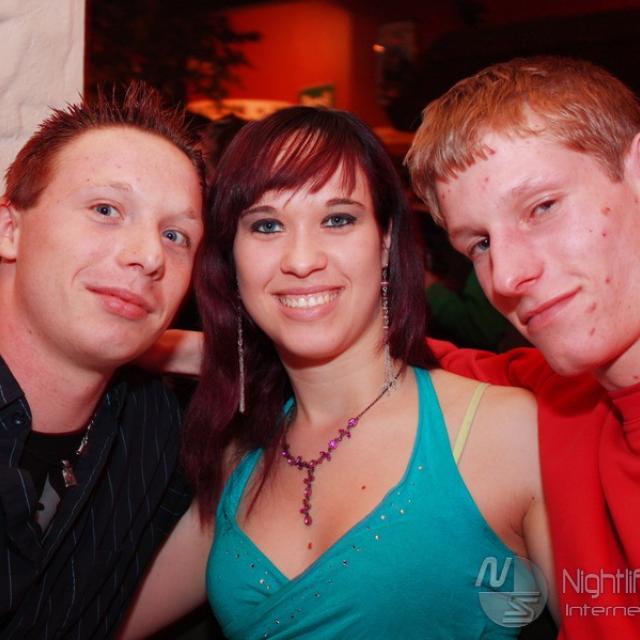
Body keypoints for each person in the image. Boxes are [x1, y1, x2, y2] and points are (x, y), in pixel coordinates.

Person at [120, 106, 554, 639]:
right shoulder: (240, 453)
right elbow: (97, 620)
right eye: (267, 225)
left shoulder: (505, 431)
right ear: (231, 257)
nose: (302, 259)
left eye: (338, 219)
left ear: (386, 240)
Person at [405, 56, 640, 638]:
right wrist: (193, 349)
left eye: (542, 207)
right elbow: (404, 363)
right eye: (480, 244)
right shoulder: (556, 397)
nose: (506, 277)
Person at [0, 82, 205, 638]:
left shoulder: (152, 431)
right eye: (106, 209)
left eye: (176, 235)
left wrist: (199, 351)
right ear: (10, 229)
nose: (149, 255)